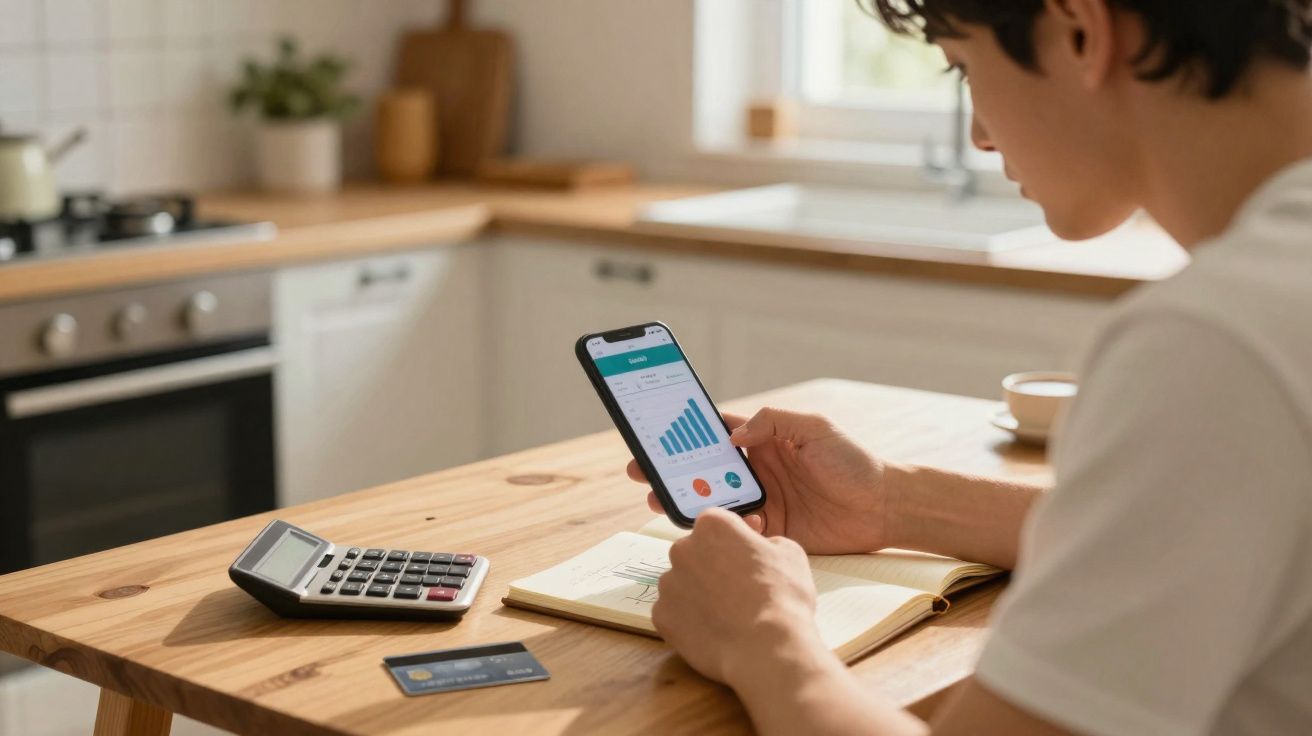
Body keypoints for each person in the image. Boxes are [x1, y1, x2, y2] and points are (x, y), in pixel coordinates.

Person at [625, 1, 1312, 734]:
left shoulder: (1216, 340)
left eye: (964, 68)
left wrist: (764, 635)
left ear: (1081, 30)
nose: (980, 135)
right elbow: (1198, 531)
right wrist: (891, 502)